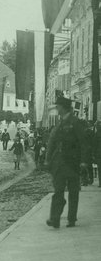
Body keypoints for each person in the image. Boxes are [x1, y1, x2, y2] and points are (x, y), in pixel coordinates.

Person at [45, 97, 88, 228]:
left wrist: (84, 161)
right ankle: (55, 218)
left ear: (63, 107)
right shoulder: (60, 123)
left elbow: (83, 143)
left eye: (58, 106)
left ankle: (71, 218)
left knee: (73, 192)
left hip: (73, 163)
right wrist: (48, 159)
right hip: (59, 163)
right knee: (58, 191)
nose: (56, 108)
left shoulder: (75, 122)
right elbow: (52, 143)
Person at [94, 121, 101, 187]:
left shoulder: (97, 133)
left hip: (99, 153)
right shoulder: (97, 133)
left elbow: (95, 145)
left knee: (100, 169)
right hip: (99, 153)